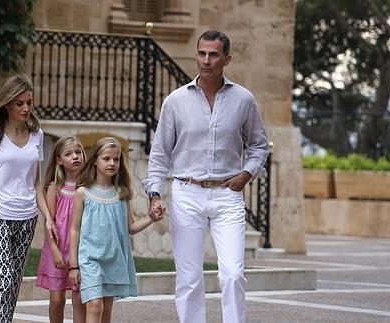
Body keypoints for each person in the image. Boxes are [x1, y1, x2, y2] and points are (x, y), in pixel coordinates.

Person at [142, 30, 269, 323]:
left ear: (227, 58)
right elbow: (160, 152)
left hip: (228, 194)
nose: (206, 60)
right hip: (187, 192)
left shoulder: (243, 99)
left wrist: (246, 174)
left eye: (213, 55)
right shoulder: (175, 101)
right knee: (188, 277)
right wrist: (155, 193)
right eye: (201, 53)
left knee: (233, 273)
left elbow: (259, 144)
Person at [0, 73, 58, 323]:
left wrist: (48, 218)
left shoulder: (37, 135)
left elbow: (36, 183)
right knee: (3, 277)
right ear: (7, 104)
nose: (26, 108)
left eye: (29, 102)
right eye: (20, 103)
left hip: (26, 218)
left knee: (13, 283)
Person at [68, 137, 163, 323]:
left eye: (116, 159)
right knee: (95, 305)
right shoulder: (82, 193)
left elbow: (131, 227)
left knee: (106, 311)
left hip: (113, 260)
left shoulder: (122, 193)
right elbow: (75, 231)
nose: (112, 163)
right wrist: (74, 266)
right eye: (106, 158)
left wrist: (151, 218)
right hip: (90, 260)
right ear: (95, 160)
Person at [36, 136, 87, 323]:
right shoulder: (54, 188)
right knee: (57, 300)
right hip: (56, 249)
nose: (75, 156)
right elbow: (49, 222)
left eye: (78, 152)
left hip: (80, 250)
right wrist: (55, 251)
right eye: (68, 154)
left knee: (79, 299)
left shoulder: (87, 187)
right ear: (59, 160)